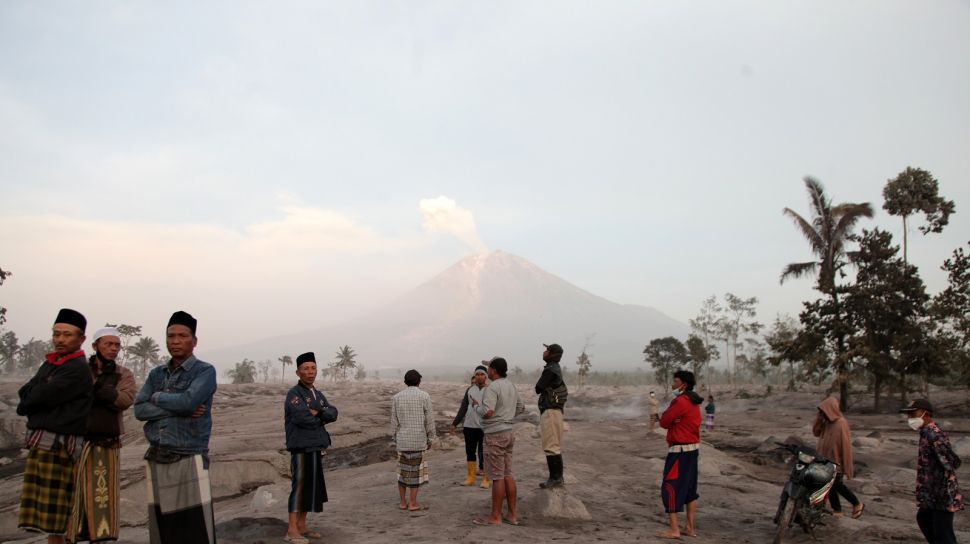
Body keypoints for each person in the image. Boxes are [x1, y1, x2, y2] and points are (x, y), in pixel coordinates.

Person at [134, 311, 217, 544]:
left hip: (188, 456)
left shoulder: (204, 371)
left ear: (194, 341)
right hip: (157, 455)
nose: (176, 341)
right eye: (171, 336)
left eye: (182, 335)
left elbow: (189, 401)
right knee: (164, 531)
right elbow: (139, 409)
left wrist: (157, 397)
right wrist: (178, 407)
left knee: (194, 531)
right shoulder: (156, 373)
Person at [16, 309, 94, 544]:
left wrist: (37, 395)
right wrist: (37, 393)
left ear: (81, 339)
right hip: (46, 443)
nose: (60, 339)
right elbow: (26, 394)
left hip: (59, 446)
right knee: (53, 518)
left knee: (59, 513)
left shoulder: (77, 368)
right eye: (56, 334)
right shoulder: (51, 363)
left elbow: (35, 398)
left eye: (67, 335)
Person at [66, 327, 137, 544]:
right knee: (73, 495)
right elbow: (70, 398)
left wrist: (97, 390)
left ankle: (100, 537)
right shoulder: (79, 370)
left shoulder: (124, 374)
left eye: (117, 345)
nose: (114, 349)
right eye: (109, 344)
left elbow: (125, 400)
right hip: (77, 441)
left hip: (106, 444)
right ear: (95, 346)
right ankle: (73, 535)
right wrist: (103, 393)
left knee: (102, 496)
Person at [283, 352, 338, 544]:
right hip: (301, 447)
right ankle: (291, 530)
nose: (310, 372)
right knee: (299, 487)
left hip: (316, 445)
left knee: (310, 488)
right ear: (298, 372)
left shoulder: (317, 394)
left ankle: (302, 526)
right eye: (305, 369)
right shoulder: (294, 394)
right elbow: (301, 418)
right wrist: (320, 416)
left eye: (313, 368)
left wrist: (319, 412)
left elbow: (333, 412)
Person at [900, 399, 963, 544]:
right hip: (931, 493)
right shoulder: (925, 433)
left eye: (913, 413)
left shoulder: (934, 435)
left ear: (926, 414)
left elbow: (952, 462)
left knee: (944, 535)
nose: (910, 417)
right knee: (924, 519)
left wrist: (939, 481)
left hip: (941, 493)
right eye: (909, 414)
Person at [472, 357, 525, 526]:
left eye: (489, 369)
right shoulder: (511, 385)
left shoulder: (492, 387)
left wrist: (476, 407)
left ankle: (495, 516)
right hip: (509, 432)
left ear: (493, 370)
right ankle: (512, 515)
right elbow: (521, 407)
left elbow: (487, 412)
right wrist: (507, 417)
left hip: (495, 434)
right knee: (507, 474)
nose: (487, 371)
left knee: (497, 477)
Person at [657, 370, 703, 539]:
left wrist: (673, 422)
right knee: (690, 490)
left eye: (675, 381)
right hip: (692, 451)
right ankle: (690, 528)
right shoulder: (694, 402)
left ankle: (674, 529)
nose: (672, 384)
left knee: (670, 488)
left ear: (683, 384)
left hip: (679, 452)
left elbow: (664, 422)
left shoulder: (681, 401)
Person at [390, 369, 436, 513]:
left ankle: (403, 502)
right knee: (415, 473)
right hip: (418, 440)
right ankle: (413, 503)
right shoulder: (425, 396)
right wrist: (431, 438)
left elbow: (394, 422)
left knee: (402, 472)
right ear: (419, 381)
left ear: (405, 382)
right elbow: (429, 420)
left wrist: (394, 438)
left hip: (402, 442)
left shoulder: (397, 398)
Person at [813, 396, 864, 519]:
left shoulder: (841, 423)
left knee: (835, 485)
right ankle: (837, 510)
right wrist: (819, 418)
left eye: (824, 411)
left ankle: (857, 504)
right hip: (824, 461)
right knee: (829, 486)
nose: (823, 413)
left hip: (836, 462)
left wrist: (846, 465)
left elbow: (845, 446)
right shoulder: (826, 423)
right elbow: (816, 432)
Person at [535, 343, 568, 489]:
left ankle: (555, 478)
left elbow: (538, 387)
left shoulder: (550, 369)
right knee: (554, 445)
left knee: (551, 446)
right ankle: (557, 478)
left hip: (550, 411)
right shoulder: (555, 368)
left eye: (547, 350)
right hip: (555, 411)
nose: (544, 352)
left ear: (552, 354)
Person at [451, 365, 489, 488]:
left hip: (485, 427)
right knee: (470, 452)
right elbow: (463, 407)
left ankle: (486, 479)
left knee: (485, 453)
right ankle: (471, 477)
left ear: (486, 376)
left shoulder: (490, 390)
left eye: (482, 374)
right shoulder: (469, 390)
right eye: (477, 374)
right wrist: (455, 423)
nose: (479, 376)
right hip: (469, 426)